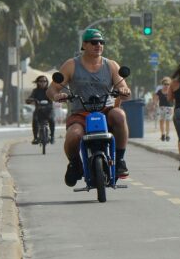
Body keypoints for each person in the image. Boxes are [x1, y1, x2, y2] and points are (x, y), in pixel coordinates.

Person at [47, 29, 132, 186]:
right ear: (84, 45)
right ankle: (75, 164)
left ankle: (120, 160)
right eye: (94, 42)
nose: (98, 45)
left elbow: (123, 85)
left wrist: (124, 90)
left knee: (120, 115)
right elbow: (52, 89)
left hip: (106, 111)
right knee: (73, 135)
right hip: (81, 113)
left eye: (101, 42)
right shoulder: (71, 65)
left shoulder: (111, 65)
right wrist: (57, 96)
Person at [27, 75, 55, 145]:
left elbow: (54, 96)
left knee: (52, 120)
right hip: (38, 111)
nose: (43, 83)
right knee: (35, 120)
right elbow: (31, 97)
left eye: (44, 81)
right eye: (41, 81)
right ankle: (35, 137)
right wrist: (30, 100)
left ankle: (52, 136)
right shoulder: (35, 91)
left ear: (47, 82)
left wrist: (55, 97)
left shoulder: (50, 90)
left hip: (48, 110)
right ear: (37, 82)